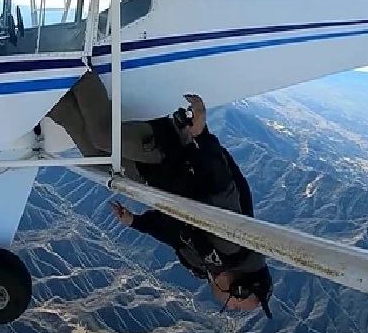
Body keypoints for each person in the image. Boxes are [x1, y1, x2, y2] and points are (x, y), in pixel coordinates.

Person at [46, 70, 273, 318]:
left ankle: (47, 101)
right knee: (104, 137)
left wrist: (136, 222)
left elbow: (175, 232)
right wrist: (201, 135)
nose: (232, 307)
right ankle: (78, 72)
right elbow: (221, 183)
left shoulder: (206, 264)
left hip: (152, 176)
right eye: (238, 305)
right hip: (168, 152)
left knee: (94, 156)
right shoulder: (233, 242)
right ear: (239, 289)